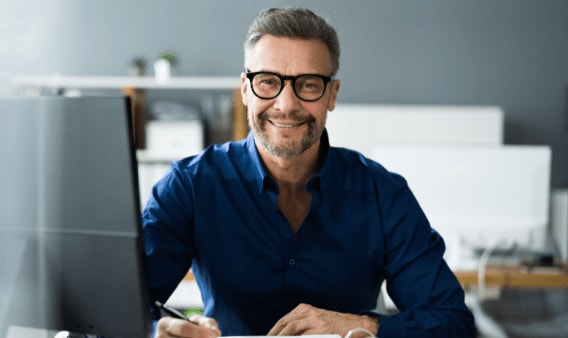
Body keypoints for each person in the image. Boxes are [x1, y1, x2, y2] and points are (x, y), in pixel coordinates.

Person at [142, 7, 476, 338]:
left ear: (332, 94)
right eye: (268, 81)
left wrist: (358, 325)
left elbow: (452, 322)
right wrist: (160, 331)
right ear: (245, 89)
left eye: (309, 84)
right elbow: (118, 309)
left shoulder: (382, 193)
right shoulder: (190, 186)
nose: (286, 104)